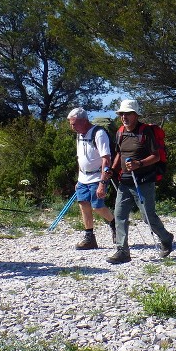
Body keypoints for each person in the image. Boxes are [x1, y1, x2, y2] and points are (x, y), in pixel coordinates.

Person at [108, 99, 175, 264]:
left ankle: (166, 238)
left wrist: (139, 164)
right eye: (122, 114)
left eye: (128, 114)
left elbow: (156, 156)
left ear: (136, 115)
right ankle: (122, 251)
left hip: (144, 181)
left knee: (147, 217)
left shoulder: (146, 132)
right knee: (119, 216)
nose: (124, 117)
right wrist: (113, 169)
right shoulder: (120, 132)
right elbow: (119, 153)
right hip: (124, 181)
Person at [67, 107, 117, 250]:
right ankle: (89, 238)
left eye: (74, 123)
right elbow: (81, 158)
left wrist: (103, 182)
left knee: (97, 207)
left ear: (84, 121)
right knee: (83, 205)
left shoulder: (99, 133)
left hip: (97, 176)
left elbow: (106, 159)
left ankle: (114, 223)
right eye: (71, 124)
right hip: (83, 177)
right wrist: (78, 179)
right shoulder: (80, 134)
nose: (72, 127)